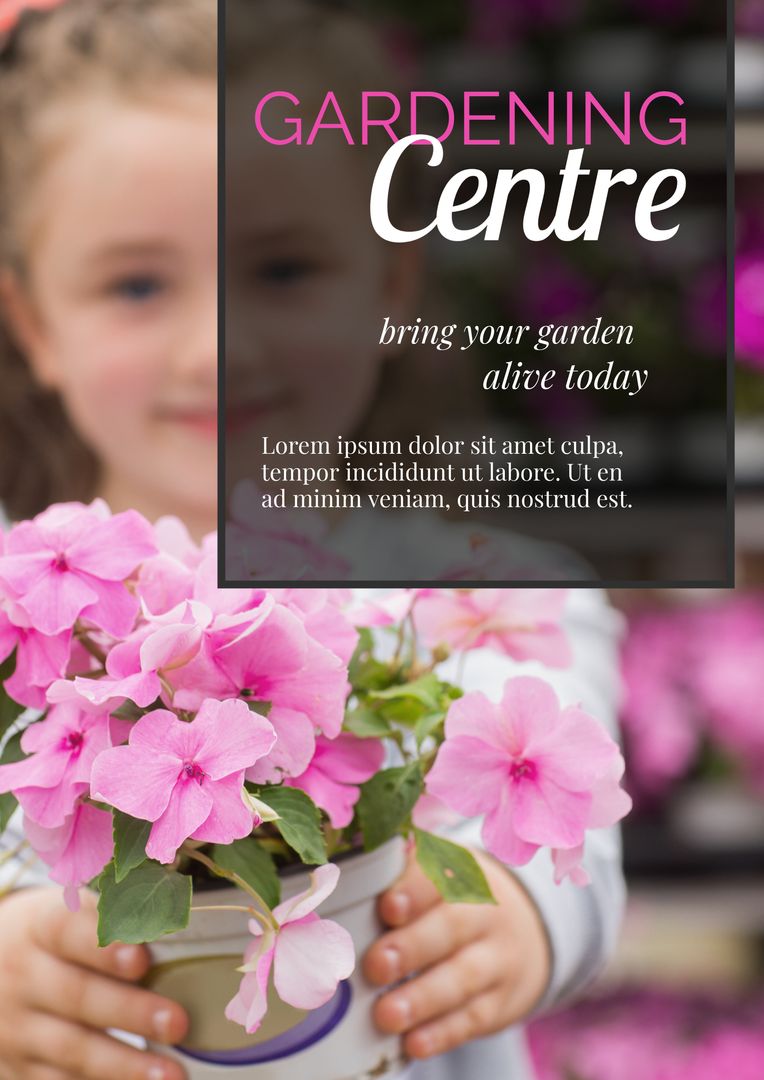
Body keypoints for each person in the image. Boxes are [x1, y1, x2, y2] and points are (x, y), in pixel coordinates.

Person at [0, 2, 625, 1079]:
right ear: (35, 325)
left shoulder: (489, 594)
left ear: (390, 282)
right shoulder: (20, 612)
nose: (217, 347)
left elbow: (578, 853)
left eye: (283, 271)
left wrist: (517, 919)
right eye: (137, 284)